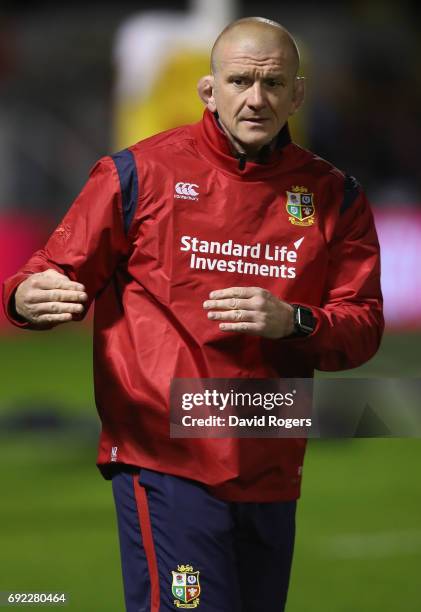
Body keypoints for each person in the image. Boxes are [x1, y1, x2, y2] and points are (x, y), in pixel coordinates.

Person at [2, 16, 383, 612]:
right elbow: (48, 271)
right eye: (240, 82)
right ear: (210, 90)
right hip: (165, 452)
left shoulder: (335, 195)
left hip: (270, 446)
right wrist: (22, 298)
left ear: (297, 95)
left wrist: (296, 322)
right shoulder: (137, 173)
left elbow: (362, 327)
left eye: (274, 84)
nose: (257, 99)